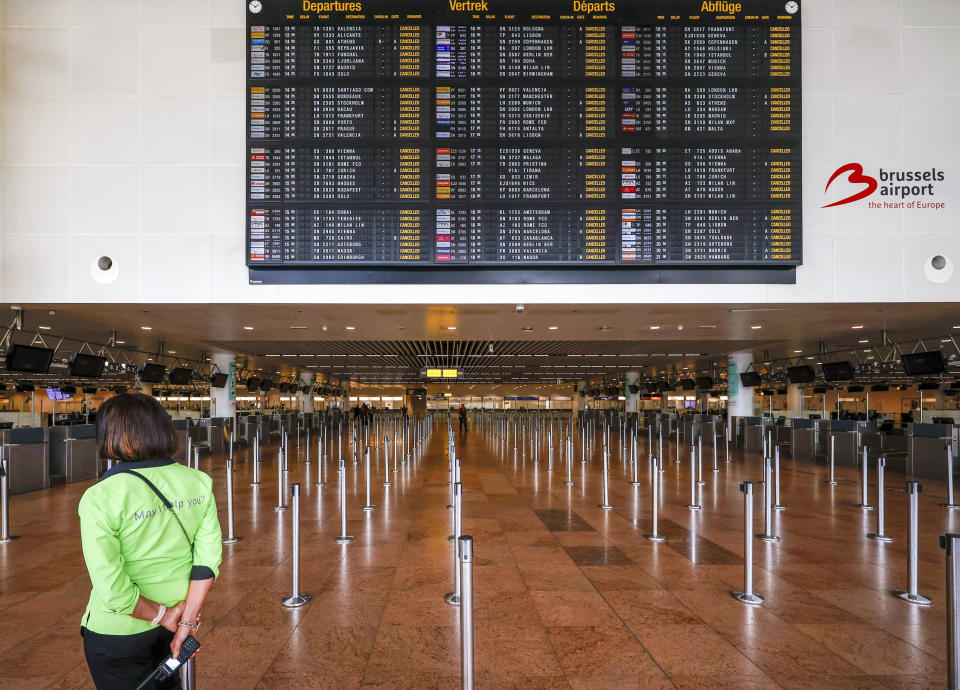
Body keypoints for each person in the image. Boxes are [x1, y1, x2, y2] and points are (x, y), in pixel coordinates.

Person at [78, 393, 222, 689]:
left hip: (119, 631)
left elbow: (113, 589)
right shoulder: (198, 482)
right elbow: (207, 561)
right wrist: (186, 622)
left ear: (112, 436)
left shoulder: (101, 496)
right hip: (176, 624)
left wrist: (162, 615)